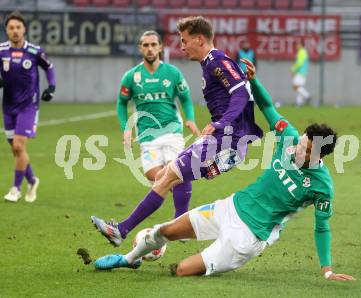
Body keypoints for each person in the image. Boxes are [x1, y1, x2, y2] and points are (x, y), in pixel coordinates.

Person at [94, 59, 355, 281]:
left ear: (321, 155)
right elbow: (267, 108)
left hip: (249, 237)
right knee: (165, 231)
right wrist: (254, 81)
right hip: (230, 207)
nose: (301, 150)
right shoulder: (289, 138)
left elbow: (322, 228)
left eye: (308, 151)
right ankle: (127, 259)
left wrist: (327, 270)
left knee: (182, 270)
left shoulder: (321, 186)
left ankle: (195, 258)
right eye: (303, 144)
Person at [91, 16, 263, 246]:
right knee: (165, 176)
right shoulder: (211, 64)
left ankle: (125, 230)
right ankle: (163, 227)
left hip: (225, 141)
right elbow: (243, 88)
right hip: (224, 141)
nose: (181, 46)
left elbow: (241, 94)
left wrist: (222, 124)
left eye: (185, 40)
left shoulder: (216, 61)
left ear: (199, 39)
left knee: (169, 176)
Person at [115, 30, 199, 224]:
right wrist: (125, 128)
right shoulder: (131, 77)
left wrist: (190, 118)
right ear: (140, 49)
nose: (150, 49)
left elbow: (185, 98)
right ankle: (183, 218)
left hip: (172, 132)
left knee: (175, 172)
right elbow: (121, 103)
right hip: (146, 137)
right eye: (146, 45)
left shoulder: (173, 73)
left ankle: (180, 219)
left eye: (153, 44)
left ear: (160, 47)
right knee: (160, 177)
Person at [0, 11, 56, 203]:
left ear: (24, 29)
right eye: (11, 28)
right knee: (16, 150)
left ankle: (15, 188)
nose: (15, 31)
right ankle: (32, 180)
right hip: (8, 107)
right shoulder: (1, 50)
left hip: (28, 106)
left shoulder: (33, 51)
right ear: (6, 30)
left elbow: (49, 67)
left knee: (18, 145)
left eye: (18, 27)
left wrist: (51, 87)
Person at [290, 40, 311, 106]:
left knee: (295, 87)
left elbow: (299, 63)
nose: (296, 46)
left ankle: (307, 96)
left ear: (301, 45)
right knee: (299, 87)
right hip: (302, 72)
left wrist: (293, 70)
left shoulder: (302, 52)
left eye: (298, 44)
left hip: (300, 72)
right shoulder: (302, 52)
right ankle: (299, 103)